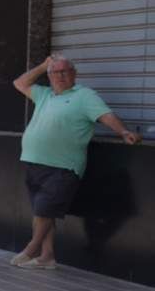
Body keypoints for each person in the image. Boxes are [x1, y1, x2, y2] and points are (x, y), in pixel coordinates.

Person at [11, 54, 142, 269]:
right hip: (34, 162)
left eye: (65, 71)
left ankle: (31, 248)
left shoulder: (84, 96)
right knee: (42, 213)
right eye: (55, 72)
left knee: (45, 211)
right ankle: (47, 257)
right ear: (49, 76)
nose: (60, 76)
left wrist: (123, 131)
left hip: (64, 166)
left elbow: (105, 115)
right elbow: (19, 83)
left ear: (74, 74)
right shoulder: (44, 94)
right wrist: (44, 65)